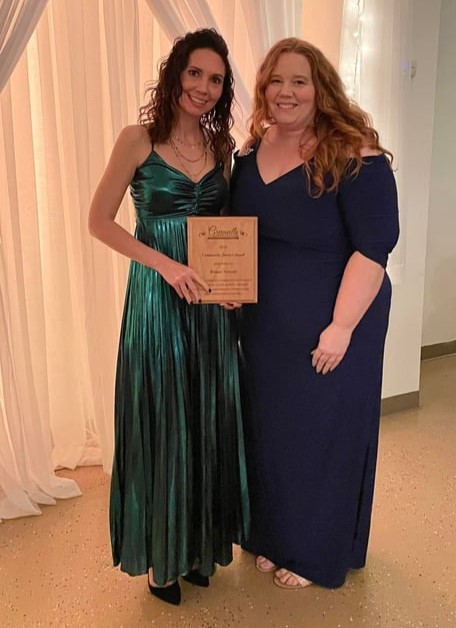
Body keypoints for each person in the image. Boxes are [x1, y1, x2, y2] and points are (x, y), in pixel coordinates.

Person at [230, 38, 399, 590]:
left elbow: (373, 250)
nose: (287, 92)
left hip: (336, 323)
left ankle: (314, 548)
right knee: (272, 434)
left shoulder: (355, 153)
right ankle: (276, 536)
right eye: (276, 81)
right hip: (265, 328)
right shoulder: (249, 152)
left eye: (299, 81)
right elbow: (241, 237)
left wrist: (342, 327)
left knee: (324, 435)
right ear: (264, 90)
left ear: (321, 87)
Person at [89, 28, 249, 606]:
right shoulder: (137, 139)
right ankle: (162, 559)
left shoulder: (222, 147)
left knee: (204, 416)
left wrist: (234, 286)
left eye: (215, 79)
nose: (203, 87)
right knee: (163, 420)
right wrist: (165, 266)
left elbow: (224, 230)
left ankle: (199, 547)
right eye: (195, 73)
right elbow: (100, 221)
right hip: (159, 304)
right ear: (175, 72)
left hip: (208, 307)